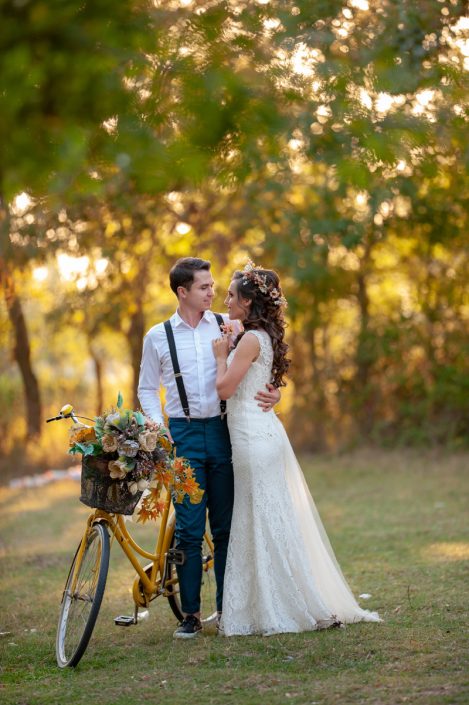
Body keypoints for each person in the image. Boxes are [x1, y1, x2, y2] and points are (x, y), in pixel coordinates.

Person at [212, 263, 381, 635]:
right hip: (262, 434)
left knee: (261, 521)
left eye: (230, 295)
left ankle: (285, 606)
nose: (225, 300)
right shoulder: (260, 336)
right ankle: (285, 601)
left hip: (253, 440)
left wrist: (221, 355)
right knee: (272, 521)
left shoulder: (251, 340)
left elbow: (224, 389)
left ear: (247, 301)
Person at [137, 257, 280, 639]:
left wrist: (275, 390)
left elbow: (266, 352)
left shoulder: (229, 324)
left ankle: (228, 609)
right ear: (183, 292)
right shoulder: (158, 336)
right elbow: (147, 389)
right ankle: (190, 615)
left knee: (225, 526)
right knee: (187, 529)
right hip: (181, 435)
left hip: (224, 432)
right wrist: (158, 430)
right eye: (204, 287)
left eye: (214, 286)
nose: (212, 292)